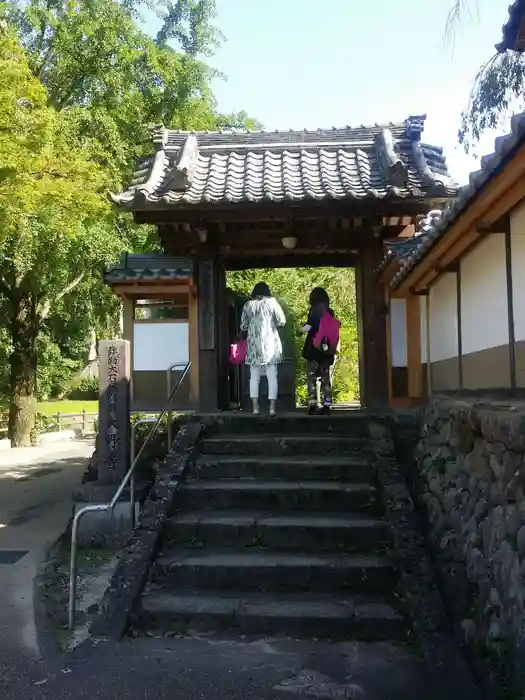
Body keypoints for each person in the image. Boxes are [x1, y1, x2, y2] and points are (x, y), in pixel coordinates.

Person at [240, 282, 286, 416]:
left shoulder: (248, 305)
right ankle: (272, 408)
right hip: (270, 345)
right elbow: (282, 320)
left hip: (254, 346)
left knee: (254, 378)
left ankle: (255, 407)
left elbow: (243, 326)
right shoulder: (272, 303)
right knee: (272, 377)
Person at [301, 287, 340, 415]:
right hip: (326, 351)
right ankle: (327, 405)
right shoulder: (330, 314)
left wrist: (299, 330)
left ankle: (312, 405)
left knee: (312, 378)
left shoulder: (313, 314)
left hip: (313, 351)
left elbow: (307, 328)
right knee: (325, 379)